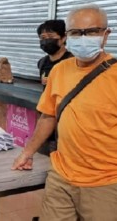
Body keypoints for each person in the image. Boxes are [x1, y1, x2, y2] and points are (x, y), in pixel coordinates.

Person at [12, 4, 117, 221]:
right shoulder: (59, 71)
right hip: (61, 176)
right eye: (76, 32)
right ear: (66, 37)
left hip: (106, 184)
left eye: (91, 32)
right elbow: (48, 116)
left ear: (105, 35)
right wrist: (28, 152)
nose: (83, 38)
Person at [36, 20, 72, 156]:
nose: (46, 41)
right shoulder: (42, 63)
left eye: (51, 37)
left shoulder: (72, 62)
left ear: (63, 38)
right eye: (43, 38)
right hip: (46, 119)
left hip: (65, 123)